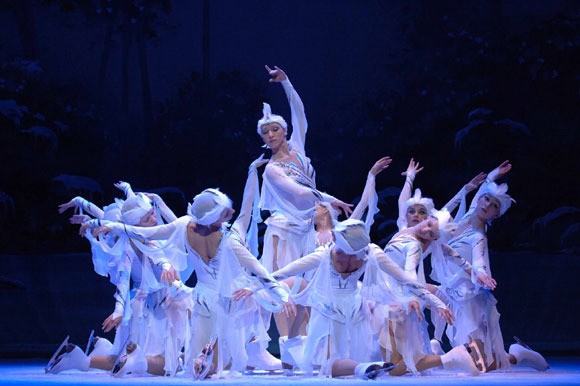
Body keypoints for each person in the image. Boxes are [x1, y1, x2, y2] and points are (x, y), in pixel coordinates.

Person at [92, 188, 294, 378]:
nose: (231, 213)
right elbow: (261, 273)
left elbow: (147, 233)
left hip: (203, 300)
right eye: (225, 212)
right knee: (217, 362)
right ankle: (209, 357)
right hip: (228, 302)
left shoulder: (184, 225)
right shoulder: (229, 241)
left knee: (203, 364)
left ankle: (205, 357)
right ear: (213, 218)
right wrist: (283, 296)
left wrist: (114, 225)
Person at [272, 219, 483, 378]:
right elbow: (278, 275)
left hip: (356, 310)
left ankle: (365, 367)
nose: (354, 258)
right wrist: (271, 291)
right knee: (325, 365)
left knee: (359, 360)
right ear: (337, 242)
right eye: (348, 253)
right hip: (328, 311)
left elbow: (407, 279)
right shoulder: (323, 254)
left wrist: (437, 303)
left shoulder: (371, 252)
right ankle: (361, 368)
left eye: (358, 253)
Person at [48, 190, 192, 377]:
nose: (154, 217)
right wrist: (118, 310)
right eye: (148, 217)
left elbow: (110, 219)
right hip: (159, 305)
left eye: (152, 213)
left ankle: (83, 359)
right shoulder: (144, 243)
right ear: (136, 224)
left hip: (141, 304)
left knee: (135, 357)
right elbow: (154, 259)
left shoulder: (130, 244)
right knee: (169, 365)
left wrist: (91, 218)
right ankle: (126, 358)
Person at [435, 161, 549, 372]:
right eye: (486, 199)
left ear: (495, 216)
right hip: (452, 292)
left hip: (470, 298)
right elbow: (483, 189)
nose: (487, 205)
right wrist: (493, 175)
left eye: (494, 206)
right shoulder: (467, 218)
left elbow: (478, 260)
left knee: (483, 367)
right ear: (478, 200)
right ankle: (431, 347)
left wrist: (481, 274)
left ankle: (516, 354)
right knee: (420, 292)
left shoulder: (478, 237)